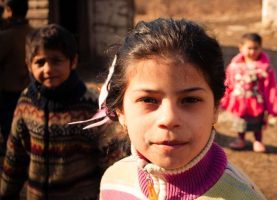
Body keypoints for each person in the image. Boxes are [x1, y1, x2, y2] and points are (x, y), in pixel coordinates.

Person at [82, 18, 267, 199]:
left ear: (215, 108)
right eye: (148, 99)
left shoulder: (242, 195)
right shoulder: (113, 182)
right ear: (121, 111)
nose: (169, 119)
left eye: (190, 99)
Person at [0, 24, 128, 200]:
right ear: (29, 65)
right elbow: (15, 154)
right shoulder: (26, 102)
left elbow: (109, 157)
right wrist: (6, 192)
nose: (48, 69)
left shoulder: (90, 107)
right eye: (40, 62)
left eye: (56, 61)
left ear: (73, 61)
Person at [220, 33, 277, 152]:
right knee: (240, 122)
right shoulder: (234, 67)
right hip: (239, 102)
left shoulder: (265, 68)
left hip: (256, 102)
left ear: (261, 48)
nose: (252, 51)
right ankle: (240, 139)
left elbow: (271, 87)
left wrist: (272, 105)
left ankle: (258, 141)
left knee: (257, 123)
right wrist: (224, 99)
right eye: (249, 48)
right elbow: (228, 83)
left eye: (256, 48)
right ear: (241, 47)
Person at [0, 0, 32, 154]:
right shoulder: (32, 33)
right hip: (29, 89)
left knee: (9, 128)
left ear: (10, 11)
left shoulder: (6, 36)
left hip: (9, 91)